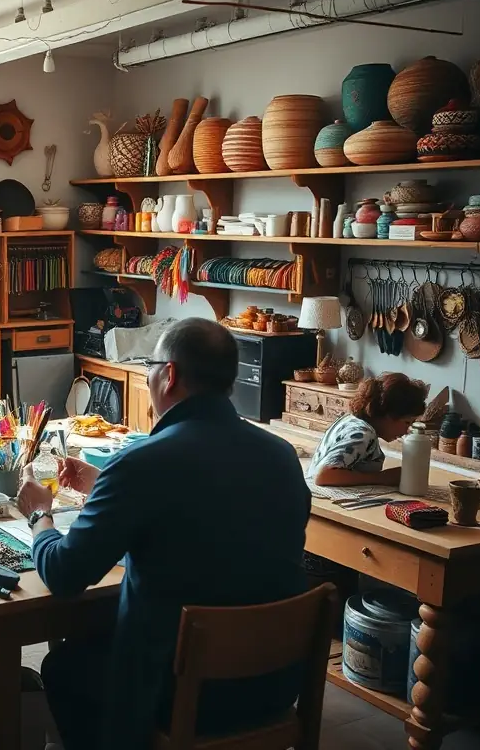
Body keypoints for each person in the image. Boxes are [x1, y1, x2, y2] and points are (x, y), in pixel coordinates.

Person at [16, 318, 311, 749]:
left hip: (187, 692)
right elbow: (212, 511)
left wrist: (40, 515)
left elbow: (64, 574)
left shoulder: (142, 464)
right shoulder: (282, 456)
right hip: (274, 681)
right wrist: (106, 484)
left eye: (150, 365)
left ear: (168, 375)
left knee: (65, 667)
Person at [308, 373, 427, 487]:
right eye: (406, 422)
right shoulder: (363, 433)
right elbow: (324, 476)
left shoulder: (351, 420)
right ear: (388, 414)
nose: (407, 430)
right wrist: (382, 478)